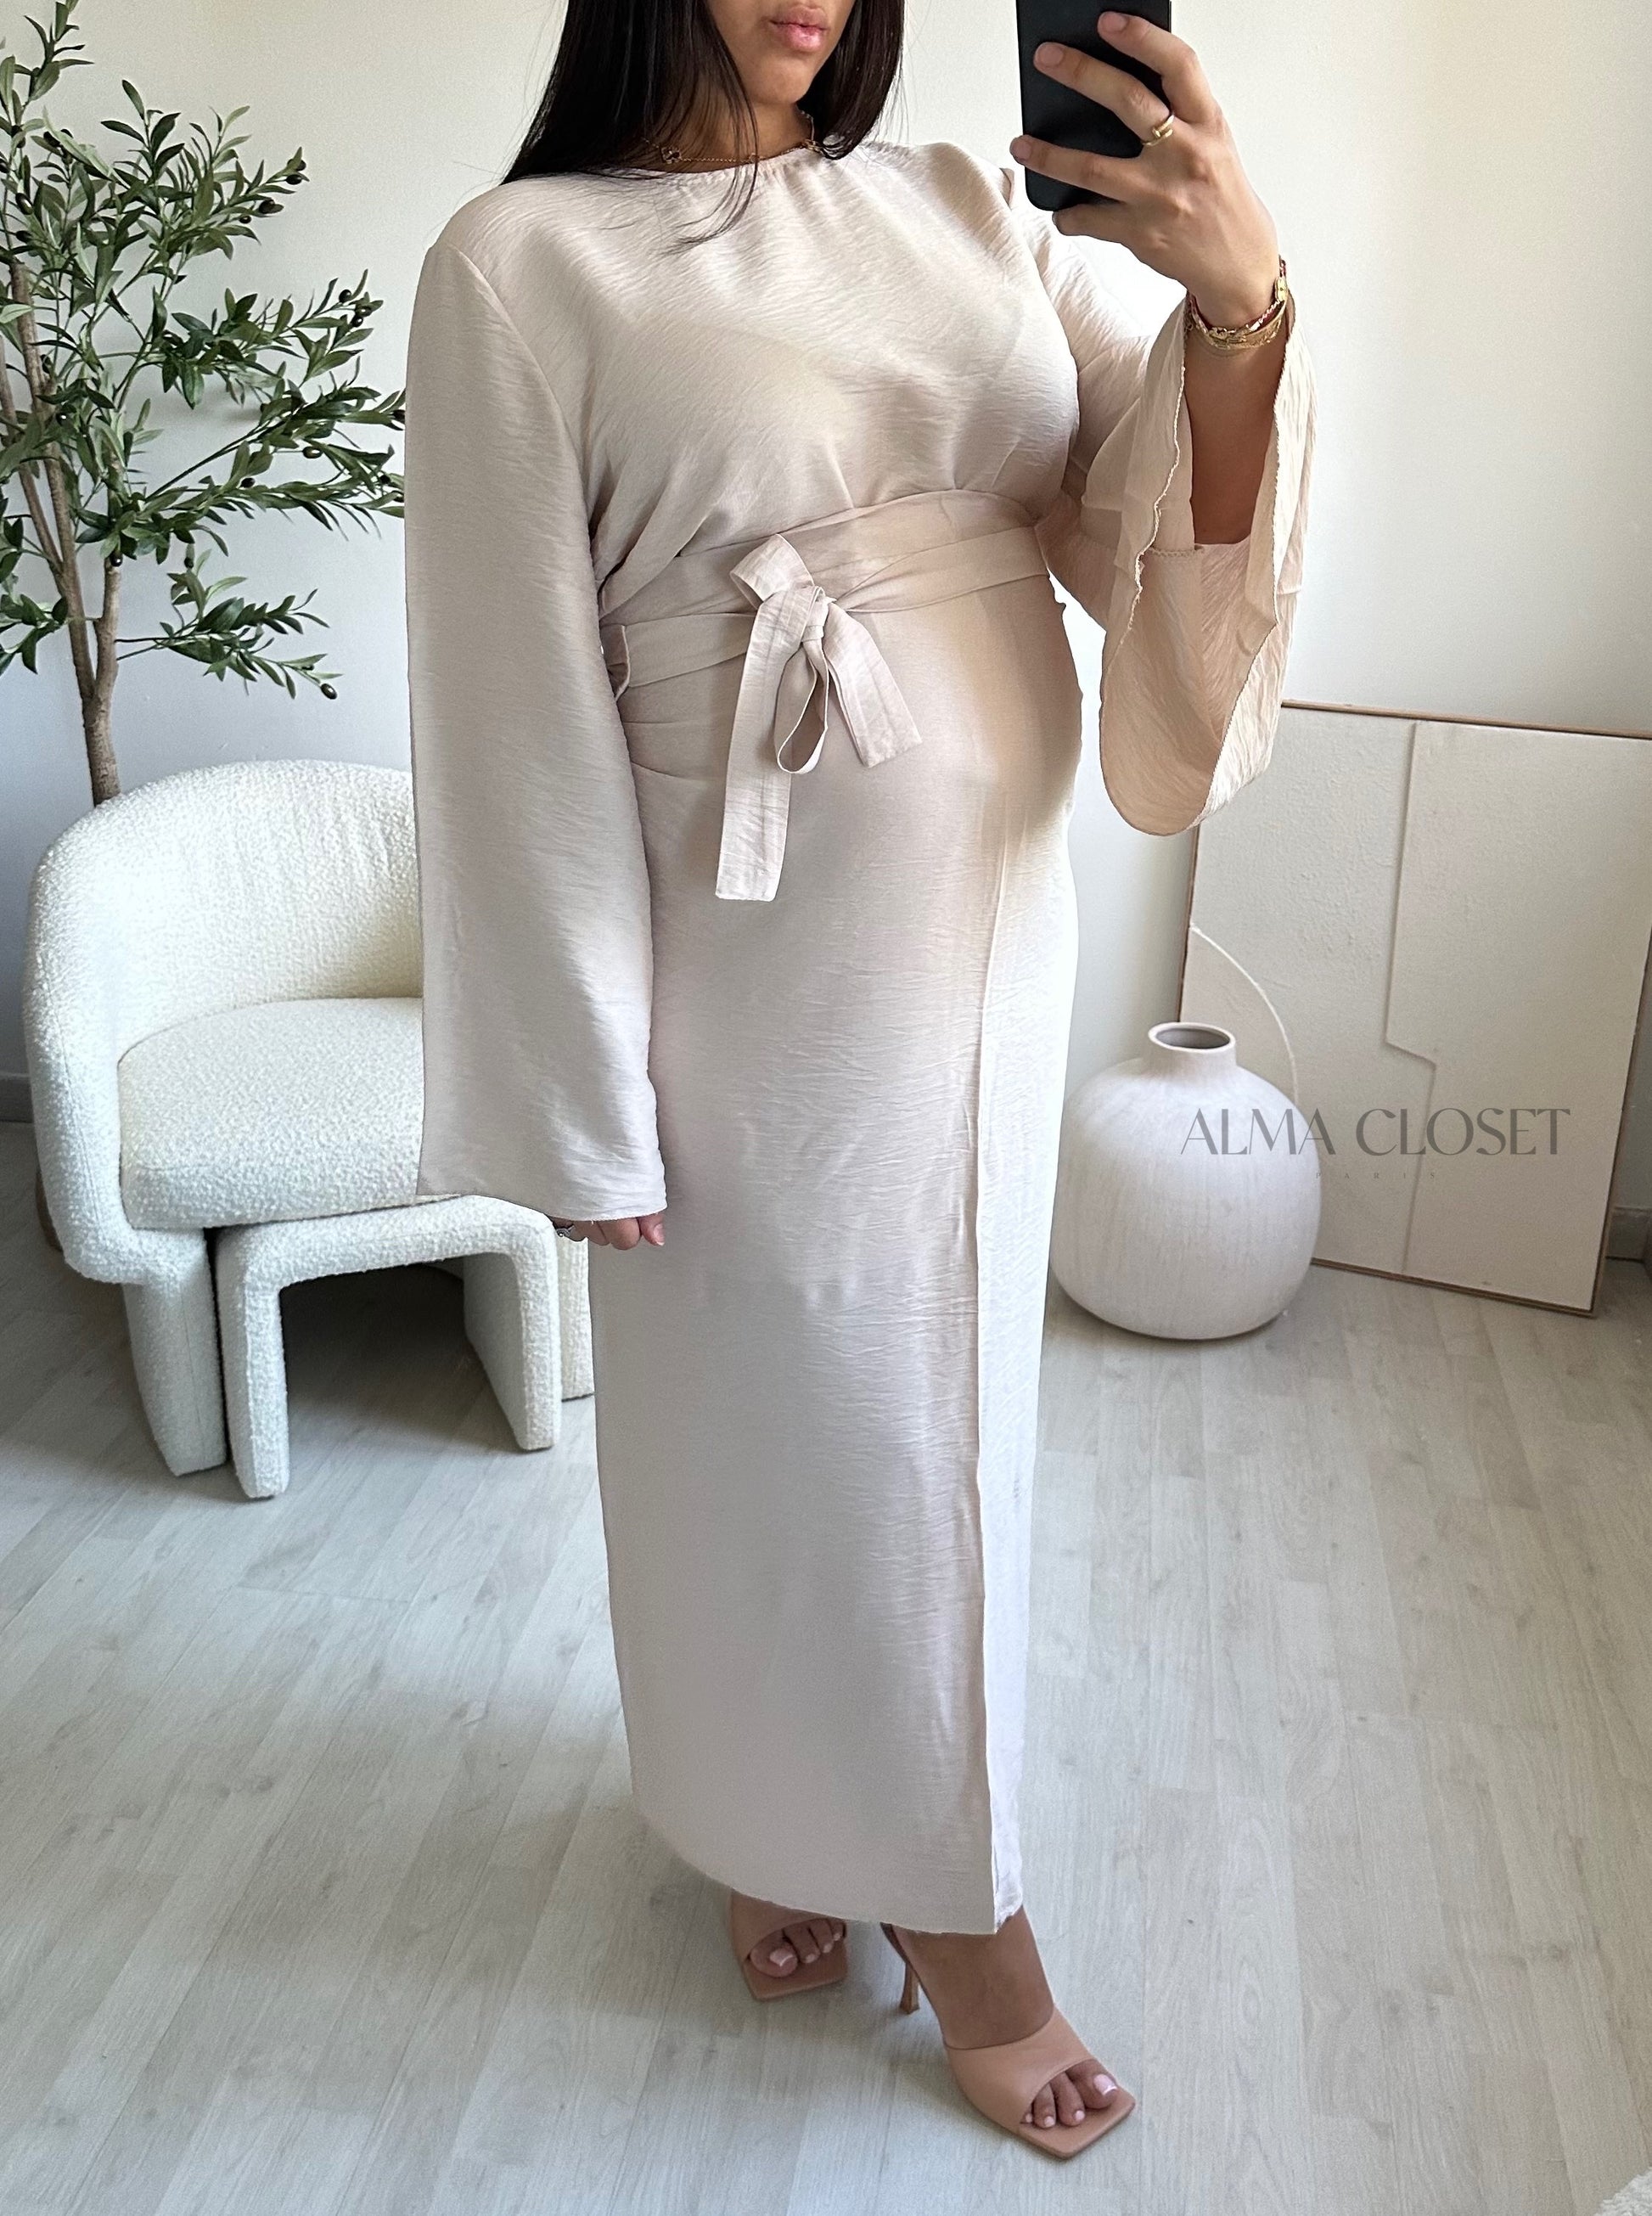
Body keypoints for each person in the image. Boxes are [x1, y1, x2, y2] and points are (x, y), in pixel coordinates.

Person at [402, 0, 1313, 2161]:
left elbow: (1135, 504)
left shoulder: (965, 204)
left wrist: (1237, 301)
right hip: (746, 969)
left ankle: (832, 1824)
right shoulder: (524, 263)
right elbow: (509, 699)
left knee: (932, 1422)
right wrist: (572, 1087)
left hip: (988, 933)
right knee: (787, 1428)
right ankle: (941, 1904)